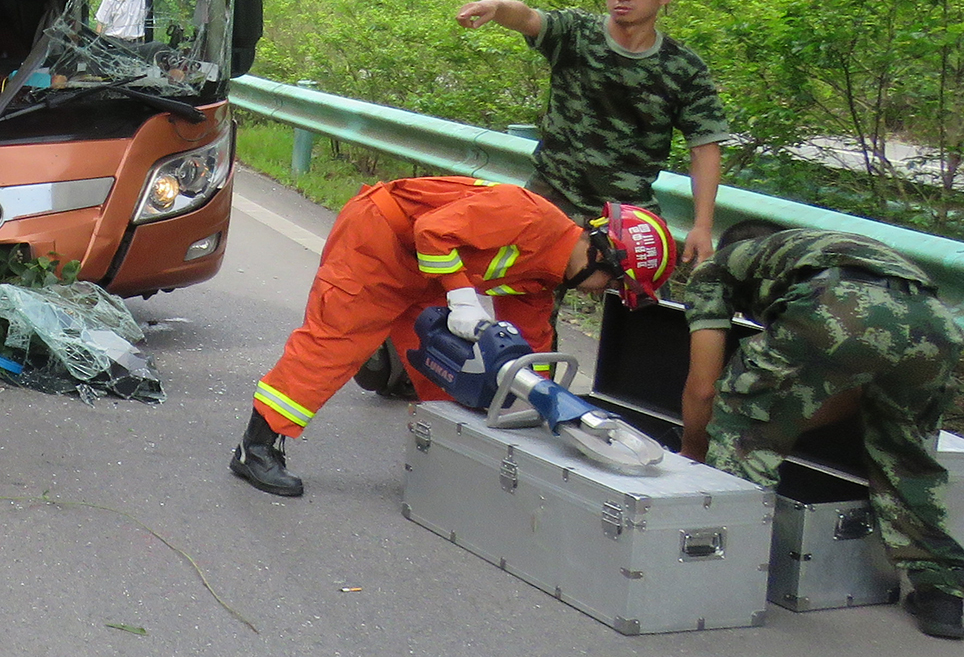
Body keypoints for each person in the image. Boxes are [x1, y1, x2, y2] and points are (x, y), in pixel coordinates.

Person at [233, 178, 677, 497]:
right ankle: (256, 447)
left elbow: (532, 346)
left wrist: (542, 407)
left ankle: (444, 460)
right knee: (335, 344)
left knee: (448, 367)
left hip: (428, 272)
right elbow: (432, 231)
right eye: (614, 284)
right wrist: (464, 300)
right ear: (600, 254)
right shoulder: (526, 215)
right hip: (379, 239)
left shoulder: (545, 277)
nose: (607, 294)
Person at [679, 222, 964, 639]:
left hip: (837, 303)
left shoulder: (718, 267)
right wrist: (788, 423)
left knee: (741, 420)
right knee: (905, 454)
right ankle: (944, 595)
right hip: (935, 324)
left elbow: (704, 388)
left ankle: (725, 573)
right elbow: (852, 392)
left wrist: (694, 452)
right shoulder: (824, 250)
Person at [456, 0, 729, 266]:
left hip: (628, 216)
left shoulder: (683, 68)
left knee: (637, 308)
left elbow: (705, 148)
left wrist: (702, 226)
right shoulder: (576, 33)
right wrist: (496, 7)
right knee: (523, 307)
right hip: (551, 199)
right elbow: (528, 17)